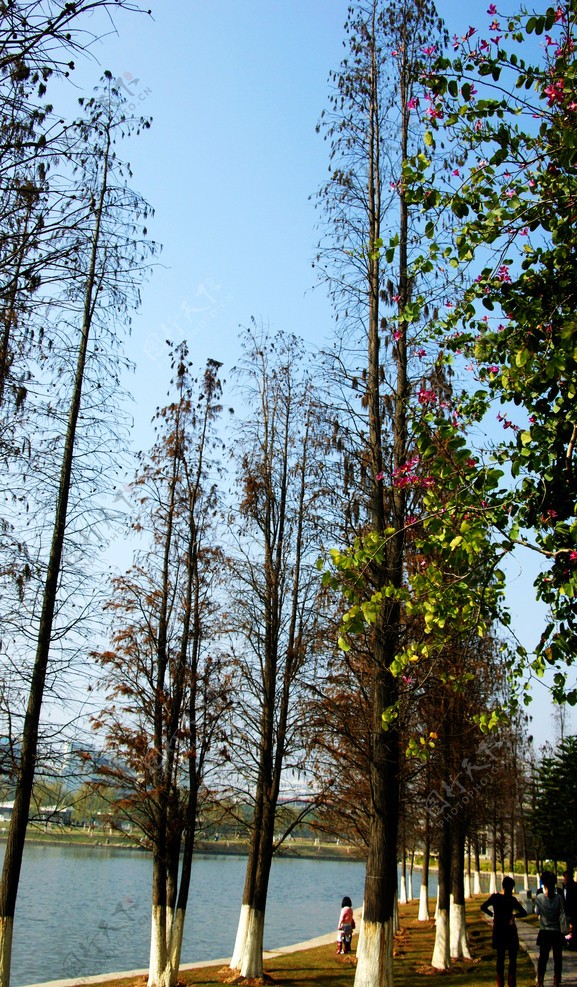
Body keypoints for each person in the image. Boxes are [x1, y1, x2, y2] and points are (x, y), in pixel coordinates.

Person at [481, 876, 527, 987]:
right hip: (510, 930)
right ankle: (511, 983)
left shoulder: (495, 898)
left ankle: (500, 984)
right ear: (511, 888)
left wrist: (492, 914)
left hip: (499, 930)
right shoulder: (511, 900)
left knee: (500, 958)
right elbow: (524, 912)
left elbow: (483, 907)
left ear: (503, 886)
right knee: (512, 960)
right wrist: (514, 915)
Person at [534, 870, 567, 987]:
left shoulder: (539, 898)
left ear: (544, 883)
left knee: (543, 957)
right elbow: (562, 913)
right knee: (558, 957)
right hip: (556, 931)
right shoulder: (559, 898)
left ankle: (541, 980)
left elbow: (536, 912)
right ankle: (556, 980)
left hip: (544, 931)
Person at [562, 868, 577, 950]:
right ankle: (570, 942)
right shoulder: (565, 886)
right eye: (565, 877)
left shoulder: (574, 886)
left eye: (567, 876)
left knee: (573, 928)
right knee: (569, 928)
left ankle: (573, 943)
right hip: (567, 910)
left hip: (573, 911)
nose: (566, 878)